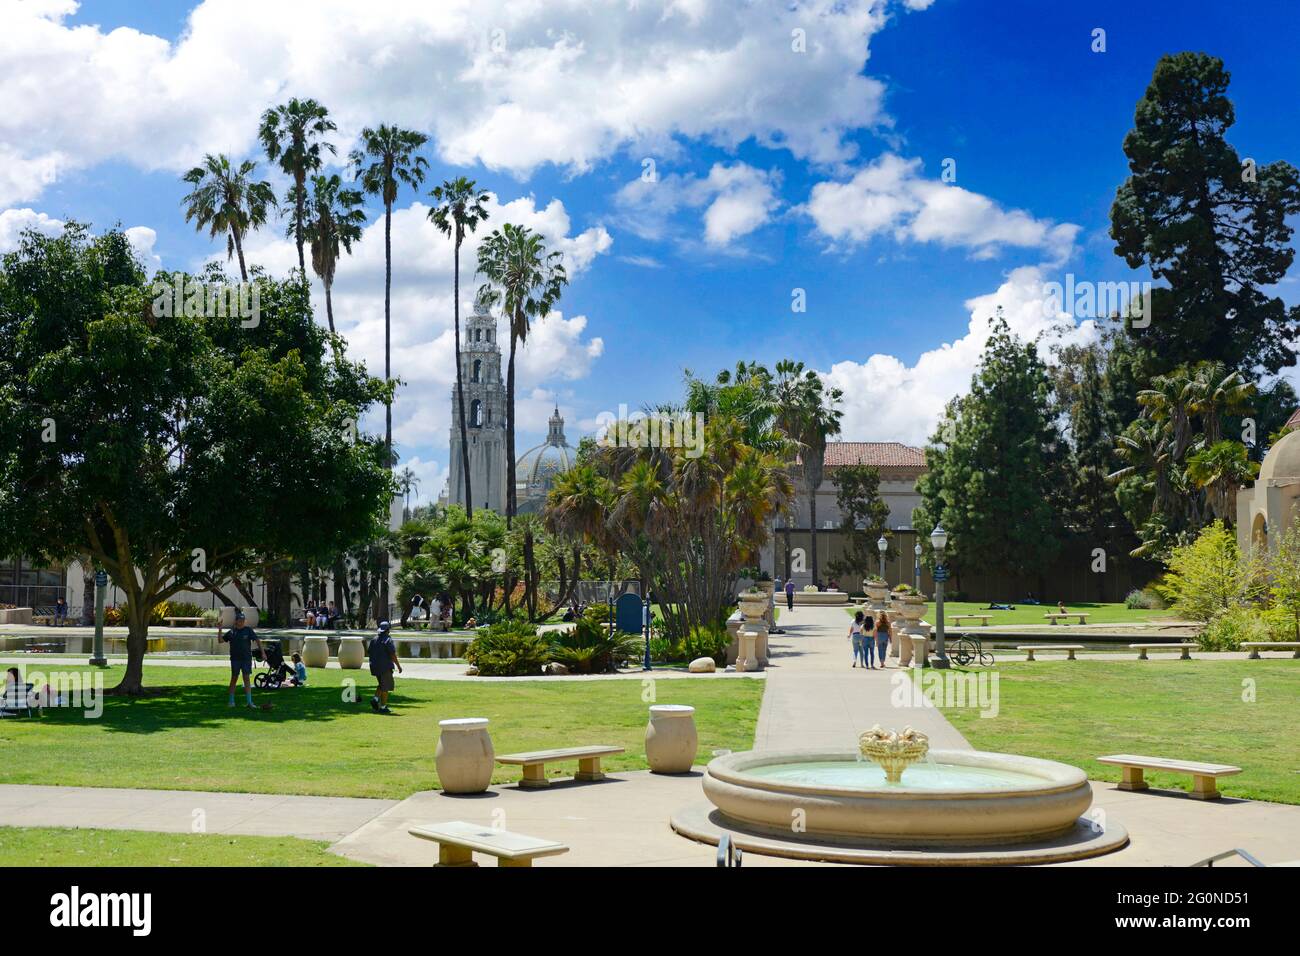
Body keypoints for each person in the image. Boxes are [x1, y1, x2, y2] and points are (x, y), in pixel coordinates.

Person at [221, 610, 261, 708]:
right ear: (236, 621)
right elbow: (220, 640)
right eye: (240, 620)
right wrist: (219, 629)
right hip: (235, 659)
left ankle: (249, 702)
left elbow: (257, 640)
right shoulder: (231, 632)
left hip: (246, 658)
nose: (242, 622)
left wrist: (262, 652)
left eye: (243, 620)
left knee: (246, 678)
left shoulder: (248, 630)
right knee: (234, 678)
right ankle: (231, 701)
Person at [368, 620, 402, 714]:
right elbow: (392, 655)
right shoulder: (388, 640)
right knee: (385, 687)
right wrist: (398, 666)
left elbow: (369, 652)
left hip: (374, 667)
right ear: (388, 630)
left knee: (382, 684)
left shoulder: (374, 639)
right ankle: (383, 707)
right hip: (385, 667)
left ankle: (375, 699)